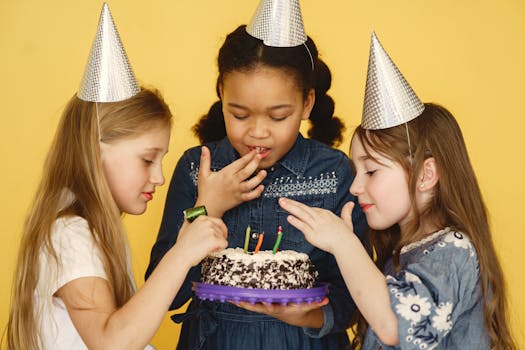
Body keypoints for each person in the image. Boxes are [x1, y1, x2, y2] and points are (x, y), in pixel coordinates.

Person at [145, 2, 367, 349]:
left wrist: (305, 315)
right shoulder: (196, 168)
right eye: (240, 114)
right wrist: (208, 206)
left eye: (278, 117)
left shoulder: (335, 173)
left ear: (307, 103)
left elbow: (357, 295)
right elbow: (165, 296)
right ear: (221, 95)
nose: (257, 133)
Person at [6, 4, 227, 350]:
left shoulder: (97, 231)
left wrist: (200, 213)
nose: (160, 177)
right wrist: (182, 253)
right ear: (96, 151)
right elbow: (113, 343)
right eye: (147, 159)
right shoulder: (70, 234)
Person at [278, 33, 516, 349]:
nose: (355, 186)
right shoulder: (400, 255)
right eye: (355, 171)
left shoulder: (453, 253)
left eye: (372, 171)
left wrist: (344, 244)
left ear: (426, 175)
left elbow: (395, 328)